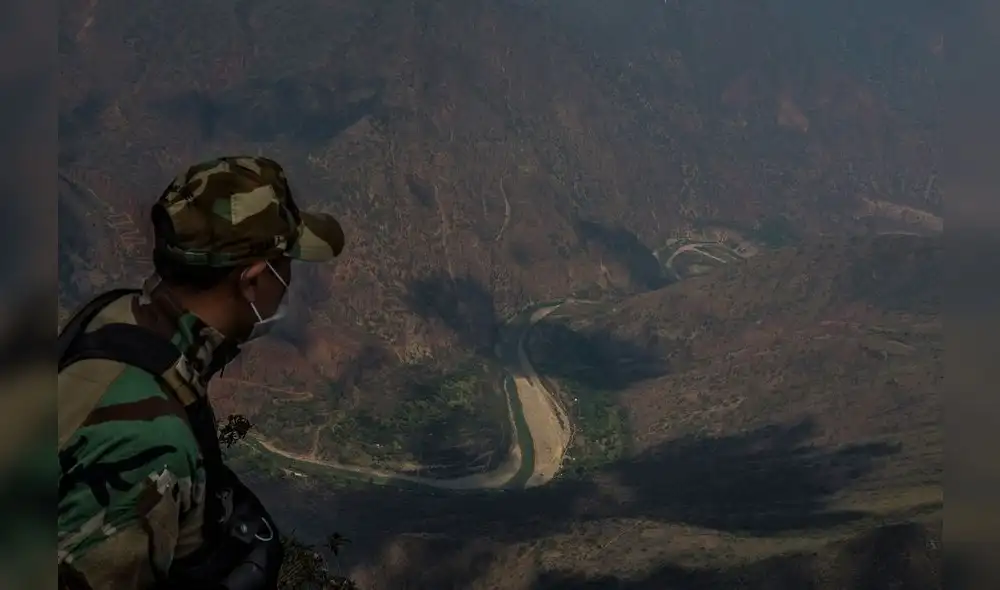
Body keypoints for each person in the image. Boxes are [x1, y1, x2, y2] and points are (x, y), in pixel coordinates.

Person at [57, 156, 345, 589]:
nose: (289, 279)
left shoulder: (117, 317)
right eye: (284, 264)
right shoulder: (149, 445)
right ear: (251, 281)